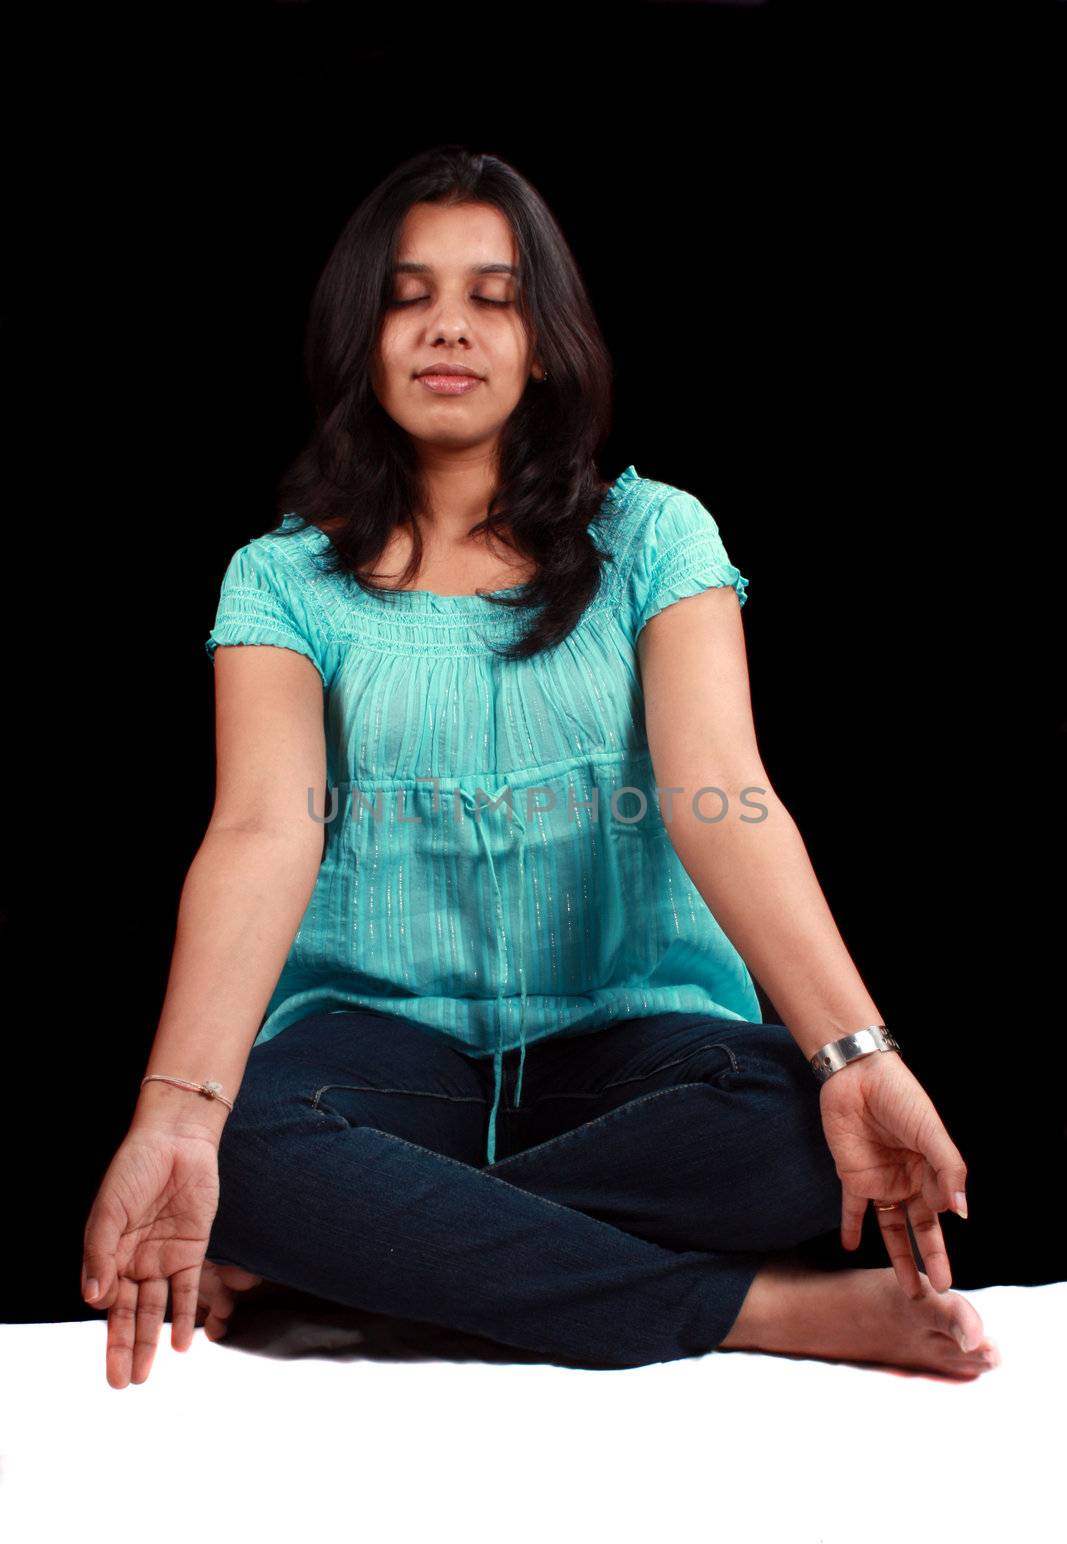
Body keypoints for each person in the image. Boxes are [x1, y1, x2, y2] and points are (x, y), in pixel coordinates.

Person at [81, 144, 1001, 1390]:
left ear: (547, 337)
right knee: (235, 1149)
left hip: (627, 1038)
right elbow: (259, 829)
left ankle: (362, 1251)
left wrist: (858, 1052)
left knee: (790, 1132)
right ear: (360, 333)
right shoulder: (283, 578)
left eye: (491, 295)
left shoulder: (653, 535)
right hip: (382, 1045)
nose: (447, 328)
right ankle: (745, 1308)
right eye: (408, 296)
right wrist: (179, 1116)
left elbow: (718, 791)